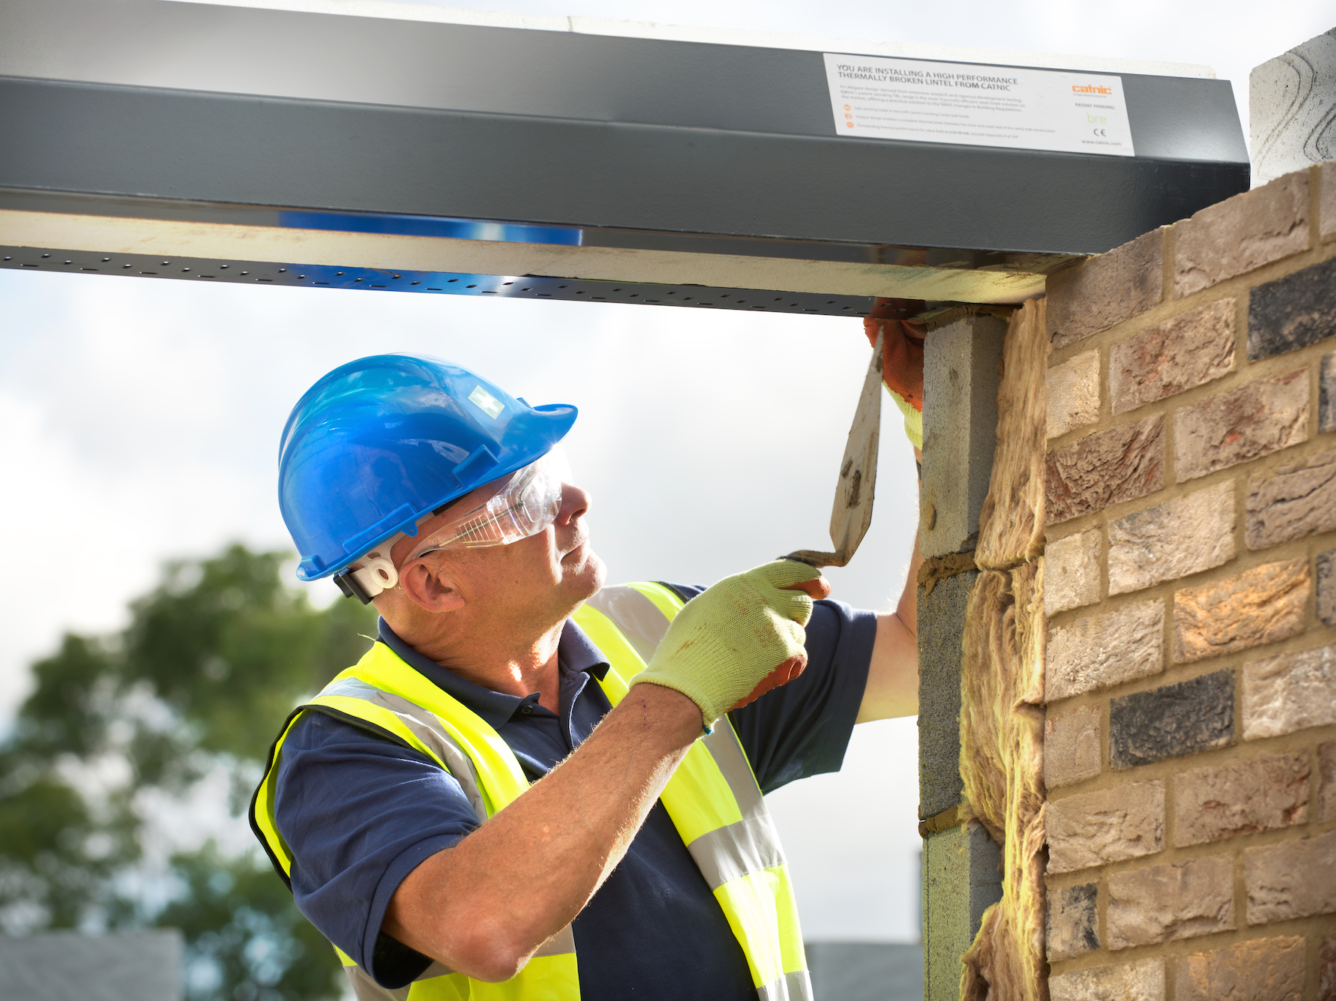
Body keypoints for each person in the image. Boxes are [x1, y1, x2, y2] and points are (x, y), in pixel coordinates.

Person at [252, 320, 927, 1001]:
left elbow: (920, 654)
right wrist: (676, 701)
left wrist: (937, 420)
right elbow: (482, 925)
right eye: (528, 500)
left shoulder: (659, 628)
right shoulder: (342, 751)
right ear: (433, 583)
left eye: (552, 473)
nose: (575, 503)